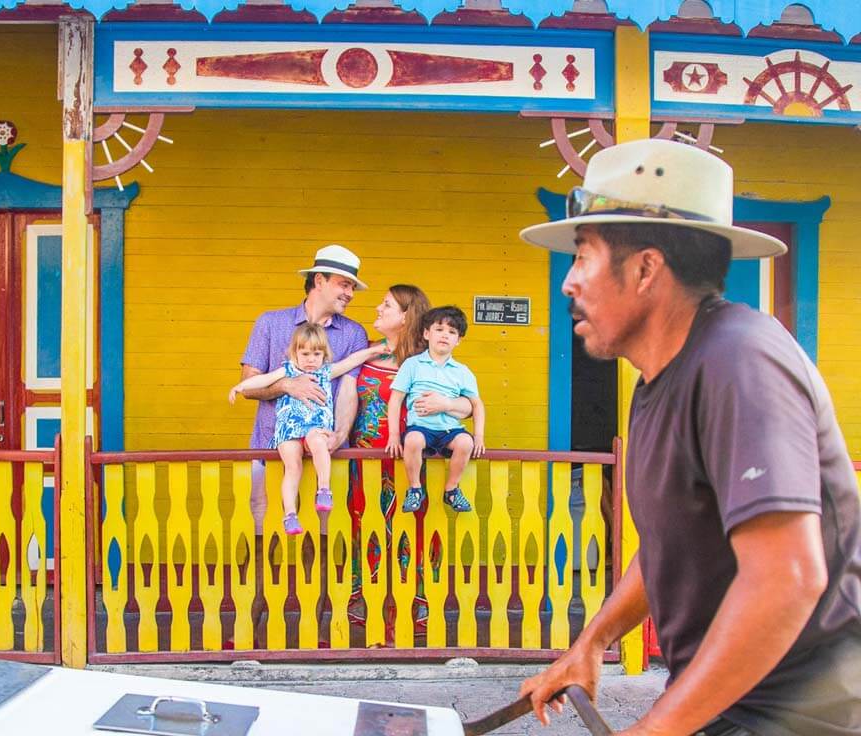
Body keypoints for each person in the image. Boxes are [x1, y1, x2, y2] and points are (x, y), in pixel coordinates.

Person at [517, 139, 861, 735]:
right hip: (723, 703)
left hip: (801, 714)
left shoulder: (740, 360)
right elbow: (668, 543)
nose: (568, 283)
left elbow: (788, 577)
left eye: (583, 257)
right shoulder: (658, 380)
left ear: (646, 269)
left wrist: (656, 730)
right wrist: (592, 642)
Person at [238, 244, 369, 644]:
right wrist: (288, 385)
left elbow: (349, 390)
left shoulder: (354, 333)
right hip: (269, 446)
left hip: (324, 453)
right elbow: (249, 383)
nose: (349, 293)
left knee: (321, 542)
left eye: (352, 286)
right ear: (319, 280)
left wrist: (340, 435)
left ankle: (318, 630)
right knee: (262, 538)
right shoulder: (271, 323)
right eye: (344, 284)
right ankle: (251, 630)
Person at [347, 285, 473, 638]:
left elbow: (467, 404)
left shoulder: (428, 358)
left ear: (406, 316)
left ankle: (412, 613)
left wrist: (447, 406)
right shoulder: (367, 353)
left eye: (386, 305)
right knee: (368, 531)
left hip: (415, 460)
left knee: (413, 535)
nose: (378, 308)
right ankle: (371, 613)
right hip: (367, 462)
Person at [230, 323, 385, 534]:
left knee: (319, 444)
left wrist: (374, 351)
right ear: (295, 353)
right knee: (293, 467)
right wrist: (240, 386)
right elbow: (262, 379)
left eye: (316, 354)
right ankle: (290, 514)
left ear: (324, 355)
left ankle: (324, 489)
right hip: (289, 430)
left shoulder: (326, 372)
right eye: (305, 354)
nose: (311, 359)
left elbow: (351, 361)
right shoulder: (287, 371)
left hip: (315, 427)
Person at [387, 306, 486, 513]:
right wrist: (394, 436)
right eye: (439, 329)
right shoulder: (412, 365)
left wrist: (478, 437)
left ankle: (451, 489)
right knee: (413, 441)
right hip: (420, 427)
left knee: (465, 442)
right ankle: (415, 488)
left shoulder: (462, 371)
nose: (445, 335)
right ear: (426, 334)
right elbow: (396, 400)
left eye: (452, 332)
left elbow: (476, 404)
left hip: (450, 430)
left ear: (458, 340)